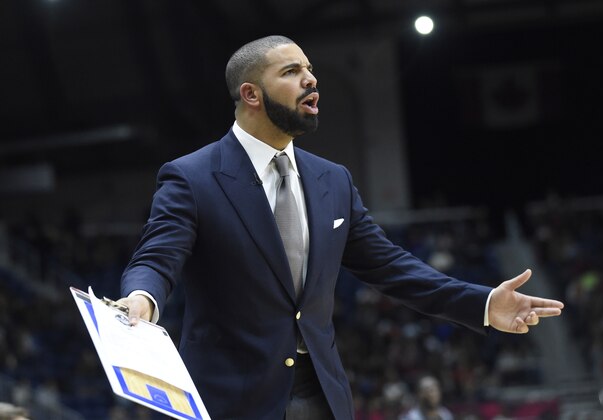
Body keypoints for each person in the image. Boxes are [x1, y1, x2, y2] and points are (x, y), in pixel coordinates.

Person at [117, 35, 564, 420]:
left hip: (324, 397)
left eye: (310, 69)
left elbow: (392, 267)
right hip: (230, 399)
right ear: (251, 94)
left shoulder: (333, 179)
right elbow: (157, 257)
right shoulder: (191, 176)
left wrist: (482, 303)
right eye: (292, 72)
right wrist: (142, 299)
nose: (311, 80)